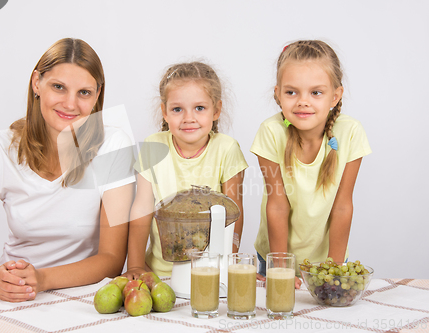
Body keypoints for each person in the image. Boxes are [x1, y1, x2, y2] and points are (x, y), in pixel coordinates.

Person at [0, 38, 135, 302]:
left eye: (84, 92)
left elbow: (112, 260)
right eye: (59, 87)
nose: (70, 104)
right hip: (9, 290)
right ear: (37, 83)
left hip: (79, 296)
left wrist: (41, 279)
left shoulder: (113, 146)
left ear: (97, 95)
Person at [251, 40, 371, 288]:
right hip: (277, 255)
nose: (302, 101)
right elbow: (277, 205)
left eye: (316, 92)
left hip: (328, 258)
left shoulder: (350, 132)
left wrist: (334, 269)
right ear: (278, 94)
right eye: (291, 92)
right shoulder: (272, 132)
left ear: (335, 96)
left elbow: (342, 205)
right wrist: (281, 267)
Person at [124, 62, 248, 279]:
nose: (188, 118)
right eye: (177, 109)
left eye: (199, 108)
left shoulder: (226, 149)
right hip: (159, 272)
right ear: (164, 112)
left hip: (209, 273)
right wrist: (135, 266)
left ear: (216, 110)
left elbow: (234, 213)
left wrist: (228, 264)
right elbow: (142, 209)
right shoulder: (153, 147)